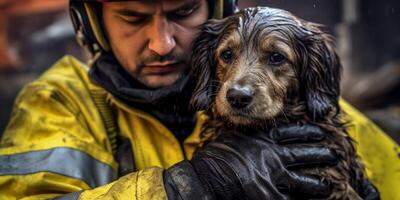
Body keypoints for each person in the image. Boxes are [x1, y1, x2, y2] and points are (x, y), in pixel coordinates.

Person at [0, 0, 397, 199]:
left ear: (217, 8)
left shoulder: (311, 105)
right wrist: (189, 186)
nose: (162, 44)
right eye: (133, 18)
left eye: (184, 11)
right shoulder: (57, 102)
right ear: (94, 24)